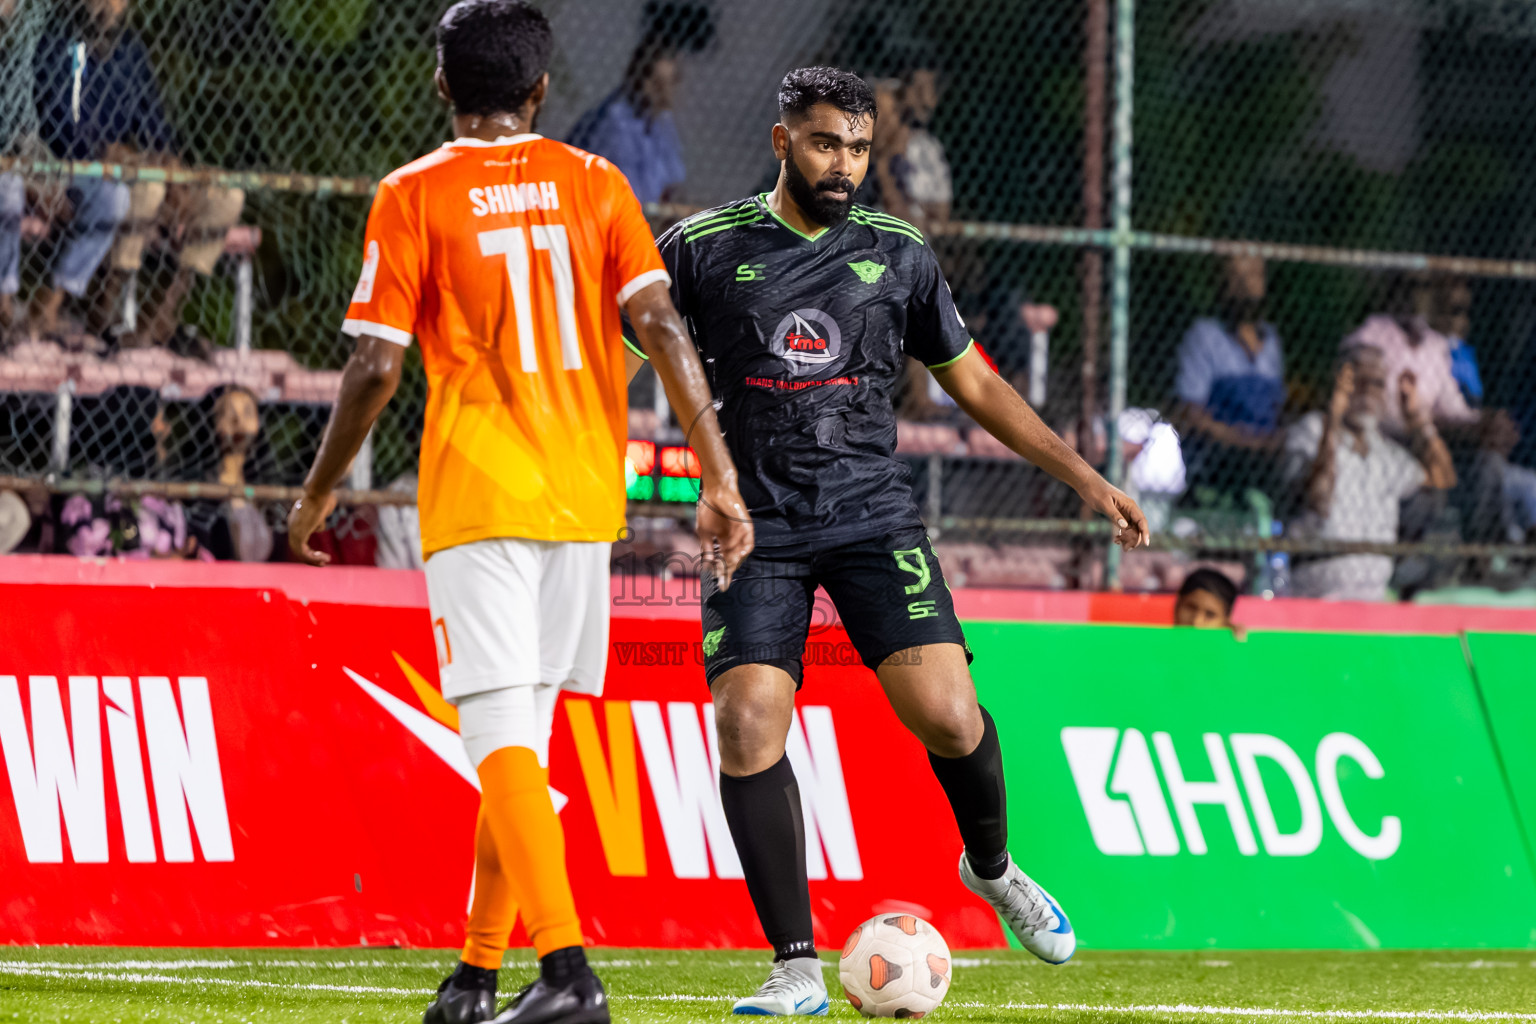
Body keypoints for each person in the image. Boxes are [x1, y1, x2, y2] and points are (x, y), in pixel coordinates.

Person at [625, 66, 1148, 1016]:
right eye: (827, 145)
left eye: (860, 149)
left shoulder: (899, 252)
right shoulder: (701, 248)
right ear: (783, 143)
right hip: (755, 523)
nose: (846, 166)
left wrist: (1085, 476)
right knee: (746, 723)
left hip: (872, 515)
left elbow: (977, 386)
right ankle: (794, 965)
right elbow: (622, 354)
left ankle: (991, 869)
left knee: (950, 717)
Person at [284, 5, 751, 1024]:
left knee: (496, 735)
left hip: (481, 491)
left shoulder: (414, 192)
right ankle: (474, 975)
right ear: (540, 92)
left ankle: (570, 971)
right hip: (585, 496)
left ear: (442, 85)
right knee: (520, 746)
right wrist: (716, 473)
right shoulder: (597, 183)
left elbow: (373, 363)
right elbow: (663, 324)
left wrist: (319, 490)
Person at [27, 0, 244, 349]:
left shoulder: (131, 52)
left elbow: (153, 124)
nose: (109, 5)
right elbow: (60, 124)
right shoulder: (58, 45)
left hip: (134, 168)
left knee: (226, 197)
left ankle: (160, 317)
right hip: (80, 168)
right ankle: (104, 308)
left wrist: (173, 167)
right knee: (147, 189)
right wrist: (117, 155)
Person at [1282, 345, 1456, 601]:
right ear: (1339, 383)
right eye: (1358, 381)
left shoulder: (1384, 450)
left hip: (1374, 596)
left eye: (1376, 384)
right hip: (1317, 594)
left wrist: (1419, 420)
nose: (1367, 392)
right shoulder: (1312, 431)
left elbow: (1443, 479)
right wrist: (1333, 417)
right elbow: (1319, 496)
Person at [565, 3, 712, 205]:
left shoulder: (661, 120)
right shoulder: (617, 124)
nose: (677, 88)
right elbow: (629, 200)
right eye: (670, 82)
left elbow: (673, 184)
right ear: (646, 81)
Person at [1174, 254, 1285, 496]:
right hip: (1217, 469)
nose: (1247, 286)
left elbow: (1279, 411)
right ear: (1222, 283)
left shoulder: (1272, 342)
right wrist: (1247, 442)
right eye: (1237, 277)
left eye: (1254, 276)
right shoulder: (1205, 336)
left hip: (1265, 471)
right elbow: (1190, 414)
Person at [1173, 567, 1237, 629]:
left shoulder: (1233, 638)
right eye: (1191, 607)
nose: (1196, 622)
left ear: (1225, 621)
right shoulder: (1163, 638)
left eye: (1210, 614)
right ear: (1177, 604)